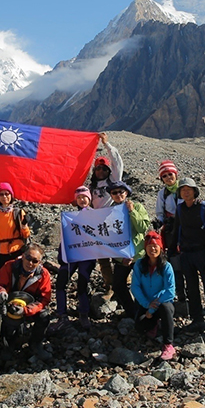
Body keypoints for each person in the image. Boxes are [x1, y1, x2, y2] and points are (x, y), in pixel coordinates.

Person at [171, 178, 205, 334]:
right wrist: (171, 251)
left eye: (189, 189)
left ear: (195, 191)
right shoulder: (180, 209)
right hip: (186, 254)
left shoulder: (204, 208)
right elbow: (176, 230)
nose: (186, 192)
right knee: (192, 289)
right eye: (183, 189)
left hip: (203, 253)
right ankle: (197, 320)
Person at [0, 242, 52, 362]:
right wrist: (0, 293)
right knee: (8, 323)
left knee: (44, 316)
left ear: (39, 262)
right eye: (28, 258)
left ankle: (35, 344)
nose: (30, 263)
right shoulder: (10, 266)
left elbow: (44, 299)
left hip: (29, 308)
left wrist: (26, 310)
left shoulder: (43, 274)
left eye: (35, 261)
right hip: (10, 304)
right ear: (23, 256)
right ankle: (8, 345)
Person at [50, 186, 96, 332]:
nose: (82, 200)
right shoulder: (70, 216)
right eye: (79, 197)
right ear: (76, 200)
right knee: (61, 283)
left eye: (84, 197)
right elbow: (65, 237)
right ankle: (62, 314)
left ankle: (84, 314)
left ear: (89, 198)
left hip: (87, 256)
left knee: (82, 284)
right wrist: (62, 255)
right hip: (71, 255)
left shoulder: (96, 216)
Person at [107, 180, 150, 318]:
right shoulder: (108, 212)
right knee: (118, 285)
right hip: (121, 257)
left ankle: (142, 311)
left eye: (121, 191)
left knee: (141, 285)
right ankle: (131, 311)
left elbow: (142, 228)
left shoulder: (137, 207)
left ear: (127, 193)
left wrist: (131, 212)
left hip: (138, 255)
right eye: (114, 192)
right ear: (111, 195)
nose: (118, 194)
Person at [131, 231, 177, 361]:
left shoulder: (166, 266)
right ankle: (155, 324)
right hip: (146, 303)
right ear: (145, 248)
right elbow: (134, 286)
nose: (153, 249)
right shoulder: (140, 265)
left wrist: (151, 309)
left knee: (166, 308)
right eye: (150, 246)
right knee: (140, 326)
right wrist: (146, 305)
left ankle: (168, 344)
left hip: (160, 304)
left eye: (156, 246)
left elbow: (170, 291)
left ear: (161, 248)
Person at [89, 132, 124, 293]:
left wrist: (106, 145)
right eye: (98, 168)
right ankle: (110, 285)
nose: (101, 171)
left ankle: (124, 283)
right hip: (97, 224)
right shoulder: (91, 187)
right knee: (103, 259)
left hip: (113, 223)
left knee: (118, 256)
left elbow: (117, 162)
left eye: (104, 168)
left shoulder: (114, 180)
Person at [154, 160, 185, 303]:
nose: (168, 177)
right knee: (174, 261)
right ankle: (180, 293)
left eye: (170, 174)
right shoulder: (163, 193)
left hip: (186, 229)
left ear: (176, 174)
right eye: (164, 176)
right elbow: (159, 212)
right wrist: (160, 222)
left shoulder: (185, 188)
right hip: (171, 231)